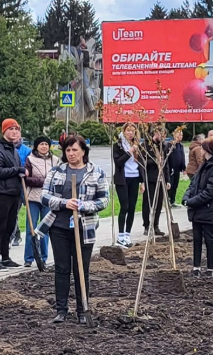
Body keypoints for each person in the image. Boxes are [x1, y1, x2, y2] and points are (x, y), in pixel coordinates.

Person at [37, 135, 107, 324]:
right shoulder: (56, 171)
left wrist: (83, 206)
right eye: (68, 150)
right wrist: (64, 203)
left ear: (83, 151)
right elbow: (44, 196)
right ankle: (61, 311)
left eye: (75, 150)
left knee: (81, 269)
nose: (71, 154)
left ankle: (83, 310)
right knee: (61, 268)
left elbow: (104, 200)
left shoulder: (96, 172)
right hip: (58, 226)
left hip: (84, 227)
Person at [183, 138, 213, 278]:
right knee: (196, 238)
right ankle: (196, 267)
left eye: (202, 148)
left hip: (208, 209)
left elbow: (210, 192)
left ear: (206, 150)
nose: (200, 151)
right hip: (197, 209)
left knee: (208, 239)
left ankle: (210, 269)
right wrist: (186, 197)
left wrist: (192, 202)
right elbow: (193, 184)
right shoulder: (204, 165)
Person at [0, 119, 25, 269]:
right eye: (11, 129)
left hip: (14, 192)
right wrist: (17, 170)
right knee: (0, 226)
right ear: (4, 131)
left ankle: (5, 257)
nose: (14, 132)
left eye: (16, 129)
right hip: (2, 192)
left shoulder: (13, 150)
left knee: (10, 226)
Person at [23, 136, 58, 267]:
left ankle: (43, 257)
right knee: (30, 228)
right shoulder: (30, 159)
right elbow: (27, 179)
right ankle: (28, 258)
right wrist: (44, 182)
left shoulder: (55, 160)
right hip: (33, 198)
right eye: (41, 144)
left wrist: (46, 183)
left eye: (46, 144)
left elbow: (58, 178)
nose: (44, 146)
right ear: (36, 146)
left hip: (48, 199)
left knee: (45, 229)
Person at [112, 125, 143, 247]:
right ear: (124, 131)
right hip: (123, 179)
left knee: (132, 207)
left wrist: (143, 182)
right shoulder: (118, 145)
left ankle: (127, 235)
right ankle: (120, 236)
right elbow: (118, 162)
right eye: (128, 130)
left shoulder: (137, 145)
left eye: (133, 131)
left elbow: (141, 164)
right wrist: (129, 152)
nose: (130, 133)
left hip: (135, 178)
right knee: (124, 206)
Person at [140, 127, 170, 237]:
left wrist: (168, 180)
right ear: (155, 134)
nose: (162, 138)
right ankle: (147, 226)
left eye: (164, 135)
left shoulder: (164, 146)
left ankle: (156, 225)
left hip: (161, 178)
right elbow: (143, 163)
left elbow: (166, 164)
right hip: (150, 178)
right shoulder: (146, 146)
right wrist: (156, 160)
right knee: (148, 203)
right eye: (160, 135)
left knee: (158, 204)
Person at [167, 127, 187, 206]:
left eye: (181, 135)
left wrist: (184, 168)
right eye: (179, 134)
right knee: (170, 184)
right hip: (171, 169)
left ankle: (172, 200)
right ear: (174, 135)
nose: (180, 136)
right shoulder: (170, 145)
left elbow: (182, 157)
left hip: (177, 169)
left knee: (175, 185)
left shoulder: (180, 146)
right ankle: (168, 200)